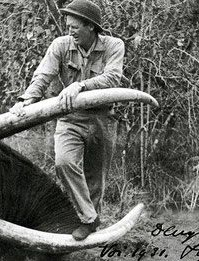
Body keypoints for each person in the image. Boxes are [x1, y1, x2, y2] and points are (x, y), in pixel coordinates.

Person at [10, 0, 124, 240]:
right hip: (70, 119)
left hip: (103, 119)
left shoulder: (114, 46)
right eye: (68, 26)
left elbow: (113, 78)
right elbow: (43, 74)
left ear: (91, 27)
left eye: (75, 27)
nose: (70, 32)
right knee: (64, 163)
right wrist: (26, 99)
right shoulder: (60, 45)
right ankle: (89, 218)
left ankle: (91, 231)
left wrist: (80, 85)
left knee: (96, 178)